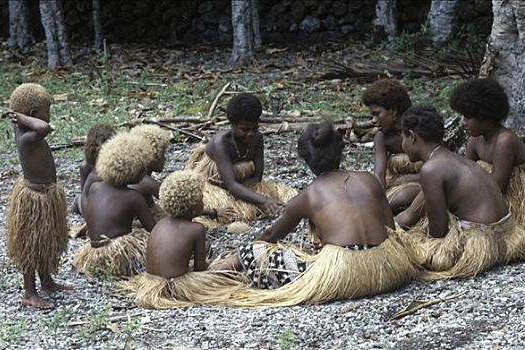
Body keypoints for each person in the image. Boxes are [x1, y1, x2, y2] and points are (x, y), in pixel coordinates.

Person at [211, 121, 418, 307]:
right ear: (340, 152)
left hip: (344, 275)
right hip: (388, 268)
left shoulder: (307, 196)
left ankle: (209, 275)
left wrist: (249, 249)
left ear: (307, 161)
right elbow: (390, 229)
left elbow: (271, 237)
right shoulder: (369, 179)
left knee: (249, 252)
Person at [398, 106, 523, 279]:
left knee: (409, 251)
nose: (401, 144)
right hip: (509, 235)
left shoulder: (431, 169)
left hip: (481, 242)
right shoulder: (454, 158)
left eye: (402, 137)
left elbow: (438, 232)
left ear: (412, 137)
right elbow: (412, 212)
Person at [117, 171, 245, 308]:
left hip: (150, 284)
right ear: (193, 205)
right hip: (174, 286)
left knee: (205, 249)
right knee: (232, 261)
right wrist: (218, 263)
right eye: (200, 200)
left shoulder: (161, 223)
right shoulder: (197, 229)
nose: (203, 203)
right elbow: (200, 268)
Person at [185, 93, 298, 224]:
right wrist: (263, 200)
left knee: (288, 197)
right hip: (214, 184)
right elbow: (232, 185)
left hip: (242, 183)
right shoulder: (220, 143)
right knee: (227, 211)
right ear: (232, 125)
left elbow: (257, 177)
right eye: (244, 129)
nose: (250, 134)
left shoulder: (257, 138)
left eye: (254, 128)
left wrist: (252, 192)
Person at [6, 83, 70, 309]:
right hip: (34, 198)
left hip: (47, 195)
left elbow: (42, 125)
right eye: (46, 111)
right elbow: (45, 128)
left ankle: (46, 281)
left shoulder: (28, 132)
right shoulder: (26, 136)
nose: (49, 116)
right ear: (32, 115)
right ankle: (29, 293)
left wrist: (25, 118)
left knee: (45, 240)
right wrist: (23, 118)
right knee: (31, 246)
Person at [450, 78, 525, 263]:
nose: (463, 123)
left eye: (468, 117)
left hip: (508, 197)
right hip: (488, 192)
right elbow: (464, 174)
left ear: (485, 115)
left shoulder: (504, 141)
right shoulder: (475, 139)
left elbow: (497, 186)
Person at [73, 132, 156, 277]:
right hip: (117, 256)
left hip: (93, 255)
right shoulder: (133, 197)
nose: (144, 173)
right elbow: (153, 230)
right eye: (142, 169)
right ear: (131, 170)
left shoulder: (95, 187)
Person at [362, 79, 421, 214]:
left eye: (377, 114)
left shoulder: (419, 129)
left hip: (427, 182)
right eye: (372, 115)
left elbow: (438, 165)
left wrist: (404, 180)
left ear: (393, 111)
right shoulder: (382, 137)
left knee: (402, 198)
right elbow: (379, 175)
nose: (373, 120)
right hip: (398, 184)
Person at [70, 124, 115, 238]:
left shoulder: (116, 164)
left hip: (109, 198)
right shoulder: (86, 167)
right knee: (79, 200)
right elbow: (85, 195)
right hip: (92, 201)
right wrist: (91, 218)